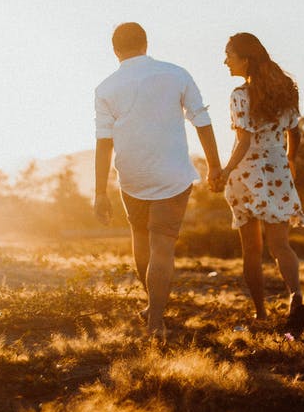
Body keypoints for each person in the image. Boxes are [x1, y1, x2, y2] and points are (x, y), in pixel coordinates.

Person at [94, 22, 222, 338]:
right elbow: (201, 121)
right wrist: (215, 166)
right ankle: (155, 323)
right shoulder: (177, 74)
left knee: (141, 240)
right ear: (146, 43)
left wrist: (100, 192)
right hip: (173, 175)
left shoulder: (106, 88)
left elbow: (103, 141)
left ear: (114, 50)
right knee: (162, 248)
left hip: (132, 177)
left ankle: (153, 309)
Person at [211, 32, 304, 334]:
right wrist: (290, 160)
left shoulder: (240, 95)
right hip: (278, 171)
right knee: (281, 245)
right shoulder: (285, 91)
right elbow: (296, 132)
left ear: (246, 59)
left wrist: (226, 170)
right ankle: (296, 296)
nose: (225, 60)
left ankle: (261, 315)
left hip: (247, 174)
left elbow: (244, 140)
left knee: (251, 250)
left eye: (229, 54)